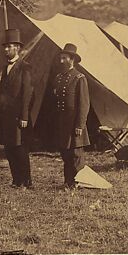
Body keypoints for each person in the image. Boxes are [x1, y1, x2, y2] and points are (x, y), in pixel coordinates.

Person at [0, 28, 34, 188]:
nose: (6, 49)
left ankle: (26, 181)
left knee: (19, 148)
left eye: (9, 46)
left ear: (17, 48)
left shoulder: (25, 67)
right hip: (6, 116)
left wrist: (24, 116)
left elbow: (27, 94)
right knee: (9, 148)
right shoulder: (5, 68)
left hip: (19, 116)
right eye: (5, 47)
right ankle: (16, 180)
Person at [51, 43, 90, 189]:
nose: (61, 61)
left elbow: (84, 104)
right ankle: (68, 182)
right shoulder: (59, 77)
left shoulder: (79, 78)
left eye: (64, 58)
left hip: (74, 123)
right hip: (63, 123)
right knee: (65, 153)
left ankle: (79, 182)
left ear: (72, 59)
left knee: (76, 154)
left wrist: (80, 125)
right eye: (60, 58)